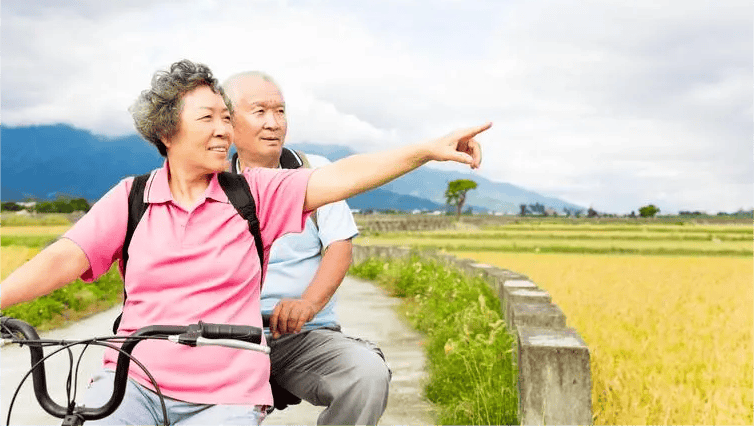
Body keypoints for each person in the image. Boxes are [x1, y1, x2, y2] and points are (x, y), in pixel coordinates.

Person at [0, 58, 490, 426]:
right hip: (134, 380)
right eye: (208, 119)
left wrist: (425, 150)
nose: (223, 131)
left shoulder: (255, 194)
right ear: (167, 132)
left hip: (226, 390)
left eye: (224, 119)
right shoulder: (130, 198)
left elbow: (343, 176)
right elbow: (65, 258)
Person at [222, 71, 388, 425]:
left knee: (366, 375)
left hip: (302, 335)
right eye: (259, 112)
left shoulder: (314, 172)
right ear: (228, 121)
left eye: (280, 112)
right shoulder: (212, 180)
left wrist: (308, 304)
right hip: (226, 338)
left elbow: (339, 247)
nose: (273, 123)